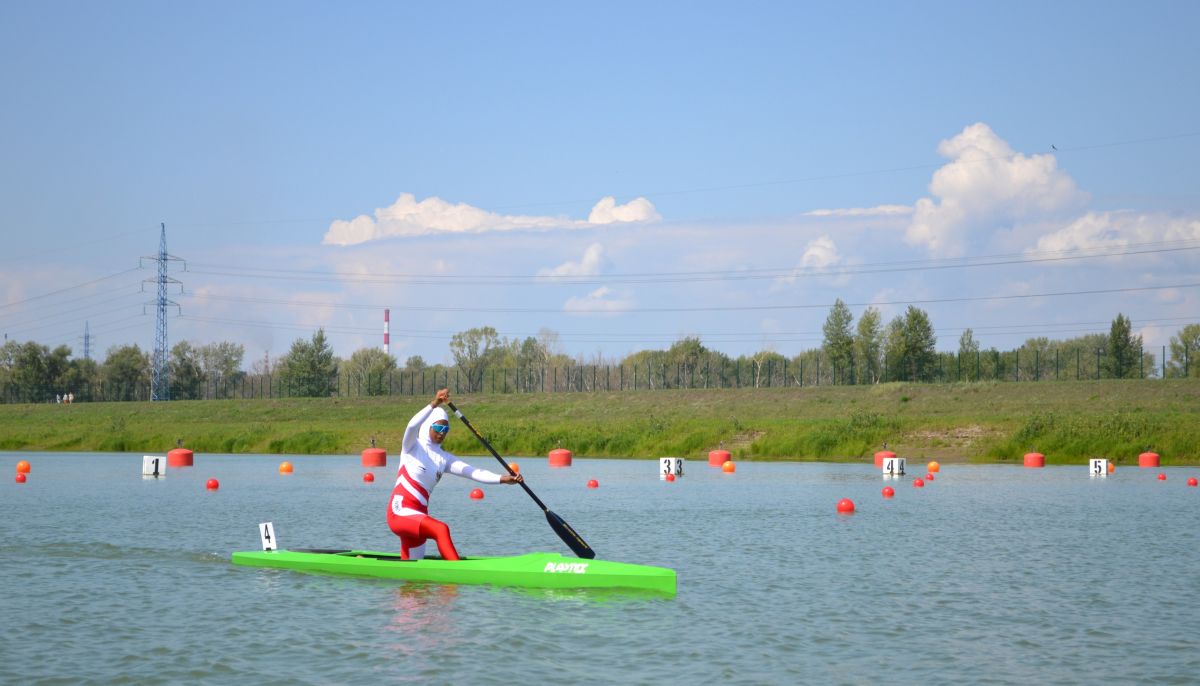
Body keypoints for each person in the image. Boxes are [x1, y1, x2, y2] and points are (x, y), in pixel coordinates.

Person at [386, 388, 522, 560]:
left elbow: (474, 472)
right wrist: (434, 403)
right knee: (441, 529)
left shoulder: (444, 458)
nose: (442, 432)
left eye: (446, 428)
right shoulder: (412, 446)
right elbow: (411, 425)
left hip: (419, 516)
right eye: (438, 427)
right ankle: (455, 579)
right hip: (399, 511)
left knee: (413, 573)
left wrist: (503, 479)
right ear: (428, 426)